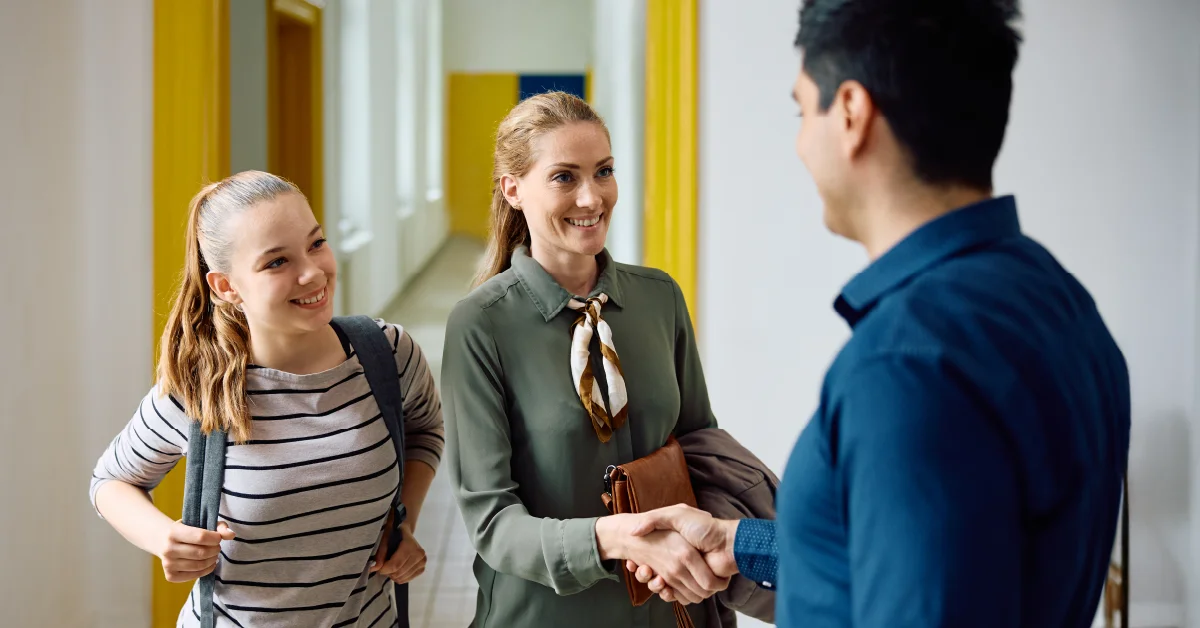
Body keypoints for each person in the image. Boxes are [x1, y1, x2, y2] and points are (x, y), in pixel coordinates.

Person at [626, 1, 1131, 626]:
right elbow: (941, 557)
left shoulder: (907, 367)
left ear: (851, 114)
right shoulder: (1059, 300)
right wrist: (737, 543)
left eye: (801, 109)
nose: (801, 143)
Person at [89, 171, 445, 627]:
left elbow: (425, 431)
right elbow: (110, 482)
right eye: (276, 262)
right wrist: (164, 537)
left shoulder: (387, 353)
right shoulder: (202, 390)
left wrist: (403, 523)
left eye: (316, 243)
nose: (312, 272)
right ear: (226, 287)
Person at [440, 91, 728, 627]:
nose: (592, 198)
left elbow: (701, 451)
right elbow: (492, 522)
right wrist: (612, 540)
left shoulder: (659, 298)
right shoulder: (481, 325)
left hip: (670, 612)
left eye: (604, 172)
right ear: (514, 190)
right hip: (544, 615)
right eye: (564, 177)